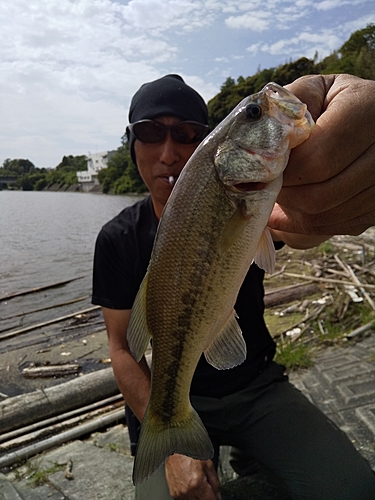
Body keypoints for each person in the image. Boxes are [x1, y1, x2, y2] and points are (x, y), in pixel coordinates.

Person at [92, 74, 375, 500]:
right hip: (166, 397)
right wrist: (171, 447)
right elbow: (122, 349)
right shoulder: (116, 238)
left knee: (354, 489)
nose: (168, 153)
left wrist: (327, 207)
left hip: (255, 387)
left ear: (206, 143)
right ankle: (183, 434)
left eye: (186, 134)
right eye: (150, 133)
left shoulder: (256, 200)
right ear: (131, 144)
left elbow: (299, 233)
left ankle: (250, 452)